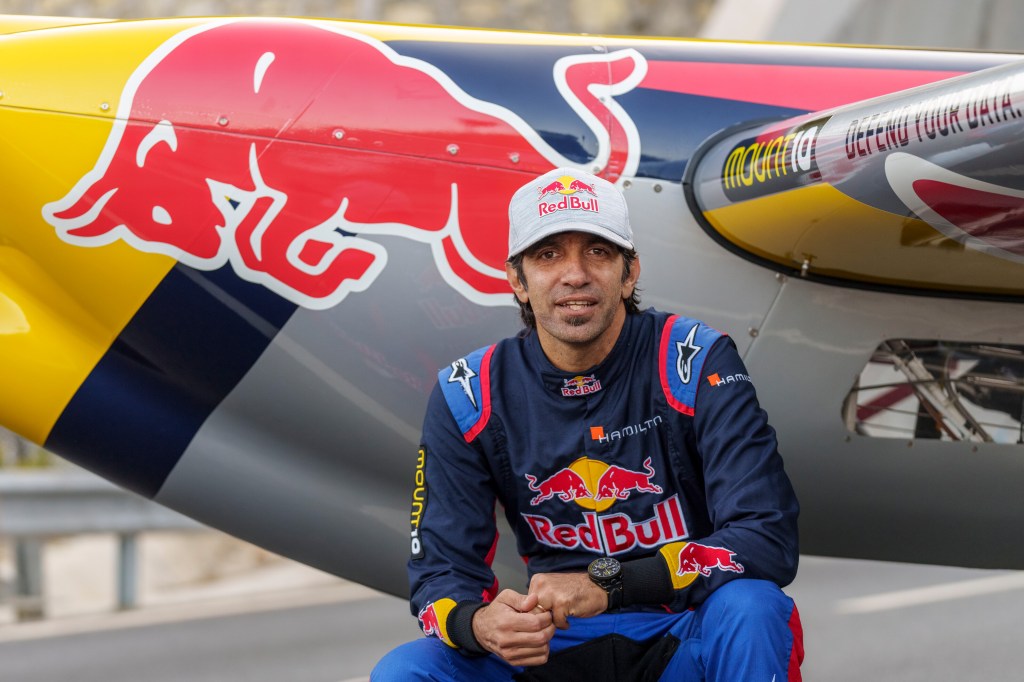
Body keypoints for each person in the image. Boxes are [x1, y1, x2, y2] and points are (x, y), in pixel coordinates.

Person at [373, 167, 803, 681]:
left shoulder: (694, 358)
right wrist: (479, 623)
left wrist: (610, 582)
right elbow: (438, 577)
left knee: (753, 607)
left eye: (597, 251)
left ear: (629, 273)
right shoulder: (467, 392)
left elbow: (767, 538)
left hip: (682, 630)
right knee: (408, 671)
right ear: (518, 279)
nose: (574, 274)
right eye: (548, 254)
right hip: (552, 647)